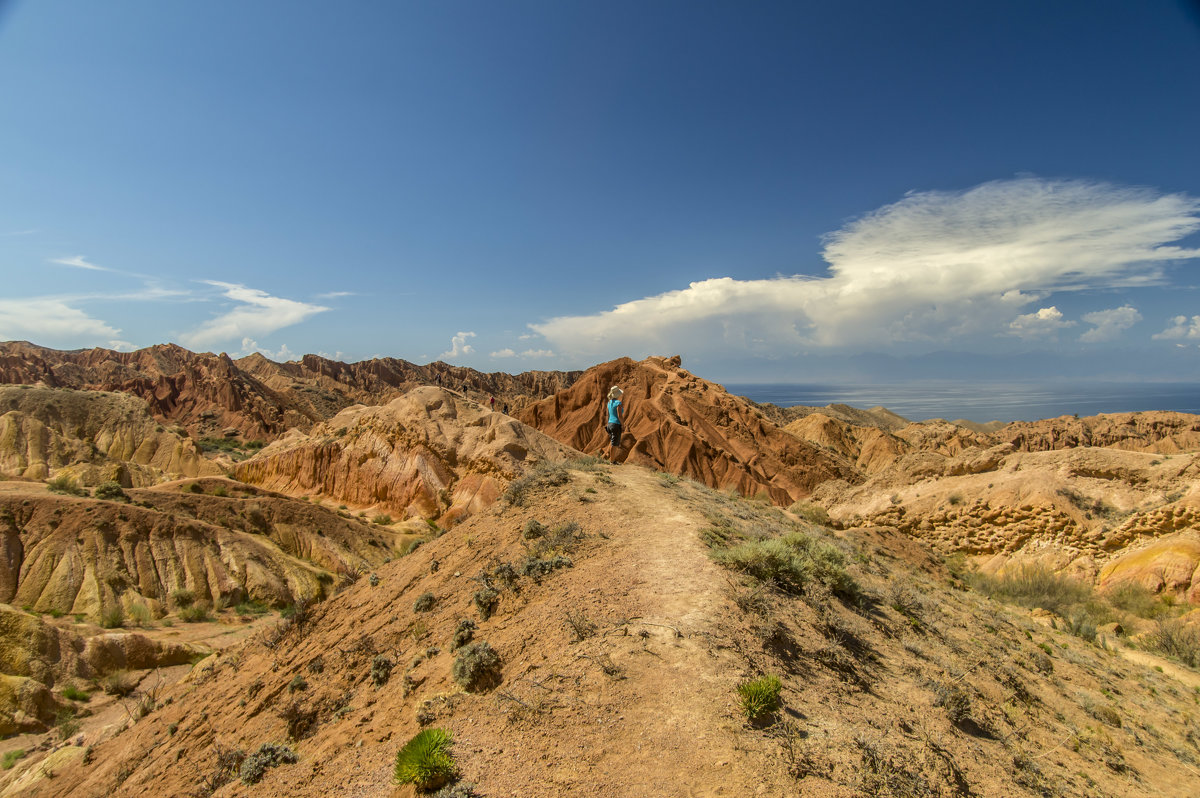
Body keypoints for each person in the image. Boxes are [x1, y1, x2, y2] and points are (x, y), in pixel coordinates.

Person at [604, 386, 624, 459]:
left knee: (613, 442)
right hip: (616, 424)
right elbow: (620, 416)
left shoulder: (609, 403)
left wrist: (608, 424)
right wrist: (623, 425)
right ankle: (612, 461)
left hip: (610, 424)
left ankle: (612, 460)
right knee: (614, 444)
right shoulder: (618, 403)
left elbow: (607, 415)